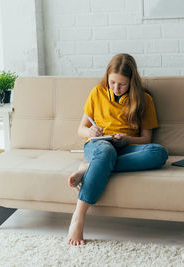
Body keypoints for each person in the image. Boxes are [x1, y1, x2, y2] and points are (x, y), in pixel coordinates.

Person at [67, 53, 168, 246]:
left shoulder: (145, 100)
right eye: (112, 82)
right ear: (107, 78)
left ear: (132, 81)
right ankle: (78, 216)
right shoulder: (97, 92)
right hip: (99, 145)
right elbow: (81, 130)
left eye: (122, 84)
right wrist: (91, 131)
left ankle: (89, 168)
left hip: (127, 147)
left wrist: (127, 139)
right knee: (105, 152)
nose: (116, 88)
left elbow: (147, 139)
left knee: (159, 153)